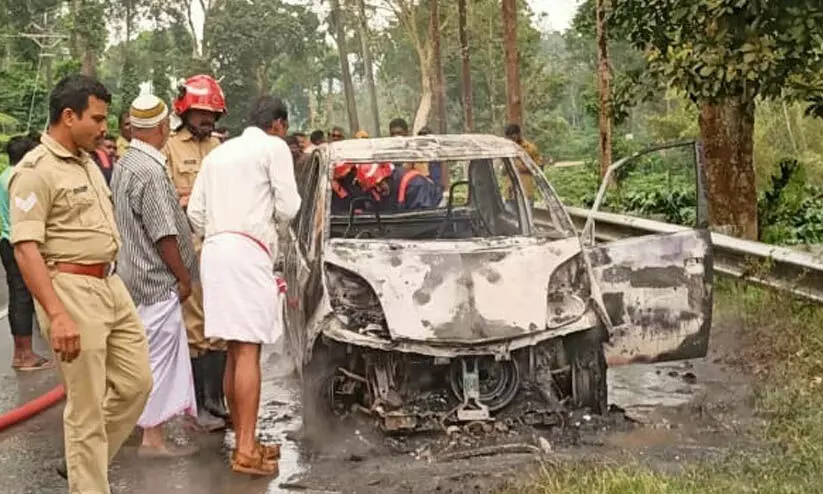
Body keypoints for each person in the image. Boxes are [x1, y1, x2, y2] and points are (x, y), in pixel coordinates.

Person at [10, 74, 151, 492]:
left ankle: (81, 461)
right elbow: (25, 249)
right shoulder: (34, 171)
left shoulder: (88, 161)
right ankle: (88, 483)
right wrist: (57, 314)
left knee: (136, 383)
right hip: (71, 290)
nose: (105, 127)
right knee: (85, 409)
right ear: (68, 116)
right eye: (98, 118)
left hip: (110, 284)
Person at [188, 95, 300, 476]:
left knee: (235, 350)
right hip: (247, 251)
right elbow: (289, 206)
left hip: (216, 251)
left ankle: (245, 441)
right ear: (279, 125)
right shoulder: (273, 148)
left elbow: (195, 214)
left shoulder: (218, 153)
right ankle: (246, 449)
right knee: (248, 349)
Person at [111, 95, 199, 458]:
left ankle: (145, 430)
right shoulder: (149, 170)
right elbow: (164, 234)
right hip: (154, 281)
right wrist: (183, 277)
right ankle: (152, 438)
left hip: (132, 277)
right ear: (163, 128)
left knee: (145, 356)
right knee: (157, 361)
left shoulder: (125, 163)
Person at [163, 74, 228, 431]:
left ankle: (217, 401)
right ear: (185, 111)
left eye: (212, 114)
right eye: (201, 112)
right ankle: (198, 406)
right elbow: (161, 198)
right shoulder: (169, 148)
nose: (207, 119)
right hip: (189, 249)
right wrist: (188, 199)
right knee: (195, 328)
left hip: (219, 247)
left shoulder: (219, 147)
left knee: (220, 327)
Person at [1, 132, 50, 371]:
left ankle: (22, 352)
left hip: (6, 240)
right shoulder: (20, 178)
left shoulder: (4, 176)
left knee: (18, 293)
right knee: (22, 295)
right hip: (17, 240)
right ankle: (24, 355)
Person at [356, 162, 441, 211]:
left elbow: (422, 221)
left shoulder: (415, 185)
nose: (378, 190)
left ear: (388, 177)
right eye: (373, 188)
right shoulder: (376, 193)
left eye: (379, 184)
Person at [504, 123, 541, 206]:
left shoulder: (530, 148)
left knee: (526, 213)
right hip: (510, 190)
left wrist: (520, 167)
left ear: (518, 134)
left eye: (513, 137)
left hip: (526, 189)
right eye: (509, 138)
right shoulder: (505, 148)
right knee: (510, 216)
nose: (511, 140)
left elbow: (537, 168)